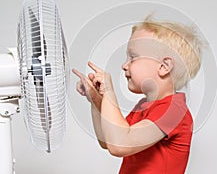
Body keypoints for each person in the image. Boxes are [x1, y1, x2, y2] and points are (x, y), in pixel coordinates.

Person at [72, 16, 204, 173]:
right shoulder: (143, 106)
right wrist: (95, 99)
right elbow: (108, 140)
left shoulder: (174, 111)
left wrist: (109, 92)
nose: (124, 65)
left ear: (164, 66)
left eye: (133, 57)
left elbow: (119, 145)